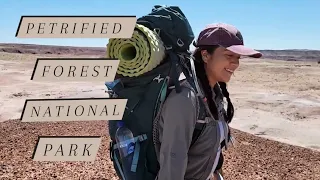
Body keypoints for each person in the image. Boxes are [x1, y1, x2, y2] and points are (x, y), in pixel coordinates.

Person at [153, 23, 262, 180]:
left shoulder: (212, 93)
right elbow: (172, 167)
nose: (236, 63)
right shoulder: (184, 100)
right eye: (229, 55)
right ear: (205, 55)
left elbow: (212, 148)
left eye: (238, 57)